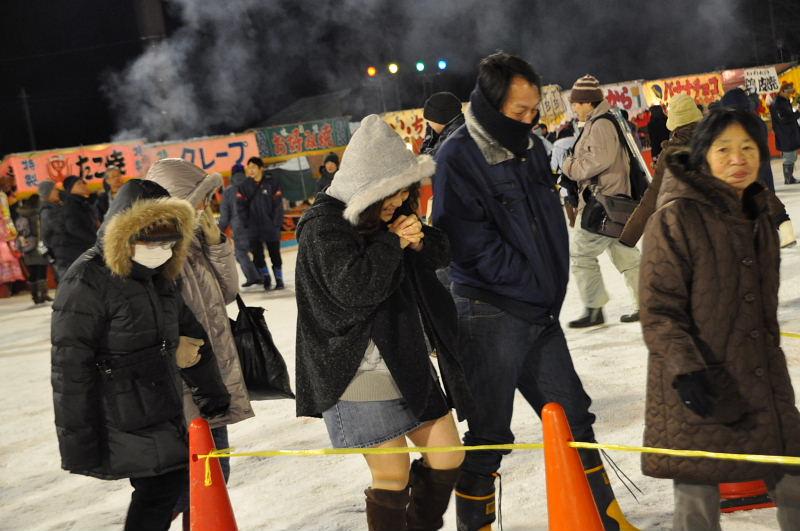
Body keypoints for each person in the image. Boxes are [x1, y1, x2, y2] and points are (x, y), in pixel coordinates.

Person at [432, 53, 634, 531]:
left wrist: (546, 287)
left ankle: (605, 520)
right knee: (489, 437)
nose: (529, 120)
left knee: (575, 420)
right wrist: (528, 283)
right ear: (488, 105)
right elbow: (466, 246)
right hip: (488, 314)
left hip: (537, 312)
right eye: (518, 112)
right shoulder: (458, 156)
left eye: (532, 111)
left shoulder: (531, 147)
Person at [295, 115, 473, 531]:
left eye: (407, 192)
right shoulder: (324, 228)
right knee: (391, 478)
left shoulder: (386, 216)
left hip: (406, 358)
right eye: (392, 195)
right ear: (367, 188)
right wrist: (393, 241)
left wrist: (419, 238)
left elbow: (440, 255)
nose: (401, 201)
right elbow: (357, 290)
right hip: (355, 371)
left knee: (449, 455)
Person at [640, 108, 800, 531]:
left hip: (762, 378)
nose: (738, 158)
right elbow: (659, 309)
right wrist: (686, 371)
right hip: (698, 381)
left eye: (748, 147)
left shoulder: (758, 213)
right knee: (696, 502)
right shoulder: (676, 217)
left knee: (795, 484)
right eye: (724, 148)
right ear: (702, 155)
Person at [51, 179, 231, 531]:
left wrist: (212, 393)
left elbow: (193, 337)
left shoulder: (160, 277)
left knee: (168, 486)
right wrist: (79, 442)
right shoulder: (87, 279)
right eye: (151, 238)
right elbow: (70, 368)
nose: (161, 248)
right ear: (126, 234)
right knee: (161, 489)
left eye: (168, 240)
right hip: (120, 411)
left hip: (161, 406)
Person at [145, 158, 254, 525]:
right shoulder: (153, 254)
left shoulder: (192, 245)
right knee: (189, 487)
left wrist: (217, 244)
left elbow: (225, 293)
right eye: (200, 200)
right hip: (181, 393)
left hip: (209, 383)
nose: (206, 207)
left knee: (213, 481)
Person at [562, 74, 642, 326]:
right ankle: (647, 303)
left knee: (581, 254)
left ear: (587, 102)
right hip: (613, 200)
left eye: (575, 102)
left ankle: (594, 308)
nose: (573, 107)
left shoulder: (600, 125)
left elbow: (593, 164)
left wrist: (567, 164)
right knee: (626, 255)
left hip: (603, 203)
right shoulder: (601, 121)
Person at [619, 93, 703, 247]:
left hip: (687, 230)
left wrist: (628, 237)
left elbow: (652, 197)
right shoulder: (715, 142)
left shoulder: (670, 153)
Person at [722, 87, 796, 248]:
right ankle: (782, 229)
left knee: (754, 203)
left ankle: (766, 236)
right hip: (762, 166)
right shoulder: (755, 119)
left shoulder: (735, 124)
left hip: (747, 170)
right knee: (766, 197)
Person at [237, 156, 285, 290]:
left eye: (253, 167)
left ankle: (279, 279)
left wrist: (276, 224)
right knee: (258, 256)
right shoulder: (244, 186)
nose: (250, 170)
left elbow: (278, 206)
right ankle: (266, 278)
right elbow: (240, 207)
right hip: (253, 228)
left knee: (275, 254)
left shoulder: (272, 183)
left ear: (261, 168)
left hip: (270, 227)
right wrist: (246, 223)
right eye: (249, 167)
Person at [219, 163, 261, 287]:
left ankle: (253, 277)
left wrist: (220, 229)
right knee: (257, 251)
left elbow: (225, 215)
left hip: (240, 226)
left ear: (232, 175)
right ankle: (263, 276)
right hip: (257, 224)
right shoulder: (254, 185)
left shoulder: (229, 192)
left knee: (241, 253)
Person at [13, 194, 52, 303]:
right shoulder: (36, 215)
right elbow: (40, 231)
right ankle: (43, 294)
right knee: (41, 269)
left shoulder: (21, 215)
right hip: (38, 244)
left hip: (26, 246)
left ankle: (35, 295)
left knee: (33, 271)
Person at [60, 175, 100, 274]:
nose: (83, 185)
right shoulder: (71, 205)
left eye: (83, 182)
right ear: (71, 189)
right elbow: (73, 228)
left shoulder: (81, 202)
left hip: (87, 248)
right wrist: (95, 240)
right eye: (79, 183)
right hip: (79, 250)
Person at [769, 81, 800, 184]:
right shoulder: (777, 103)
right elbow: (783, 119)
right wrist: (798, 114)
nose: (789, 95)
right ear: (782, 91)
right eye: (788, 92)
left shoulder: (784, 101)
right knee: (789, 157)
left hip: (789, 133)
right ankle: (788, 179)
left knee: (792, 156)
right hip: (785, 134)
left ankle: (790, 177)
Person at [420, 91, 465, 157]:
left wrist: (430, 138)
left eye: (430, 122)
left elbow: (428, 160)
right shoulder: (461, 127)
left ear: (439, 120)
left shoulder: (452, 138)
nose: (429, 125)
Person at [37, 180, 67, 280]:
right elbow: (49, 233)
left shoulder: (58, 206)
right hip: (60, 253)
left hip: (63, 251)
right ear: (47, 192)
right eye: (54, 189)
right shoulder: (47, 211)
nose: (57, 192)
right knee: (68, 283)